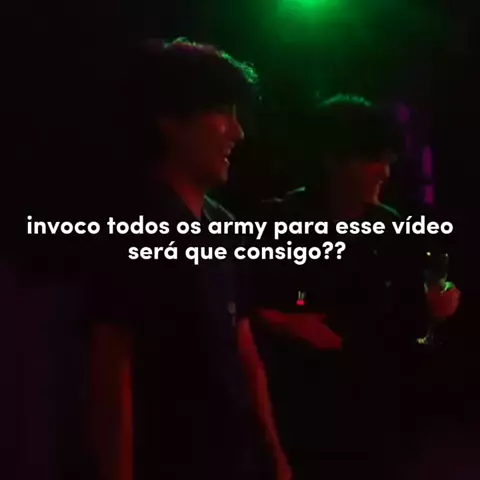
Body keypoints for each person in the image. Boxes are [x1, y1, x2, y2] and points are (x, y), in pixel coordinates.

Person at [90, 38, 290, 480]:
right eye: (222, 112)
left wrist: (273, 453)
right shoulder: (135, 222)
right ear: (170, 119)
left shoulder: (223, 223)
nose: (237, 132)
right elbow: (112, 366)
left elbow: (243, 345)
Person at [251, 94, 460, 479]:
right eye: (373, 160)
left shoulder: (391, 227)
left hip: (380, 418)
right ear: (333, 159)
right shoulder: (279, 220)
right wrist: (279, 320)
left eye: (388, 161)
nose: (385, 173)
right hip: (304, 418)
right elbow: (242, 308)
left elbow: (408, 325)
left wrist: (432, 312)